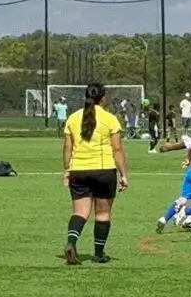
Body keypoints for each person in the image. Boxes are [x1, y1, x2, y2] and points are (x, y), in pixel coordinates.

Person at [62, 82, 129, 266]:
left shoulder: (73, 119)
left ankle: (71, 242)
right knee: (103, 214)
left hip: (78, 171)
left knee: (80, 212)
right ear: (103, 97)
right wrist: (123, 174)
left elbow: (68, 147)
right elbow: (117, 149)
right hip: (104, 171)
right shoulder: (109, 119)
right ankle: (99, 253)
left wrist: (67, 169)